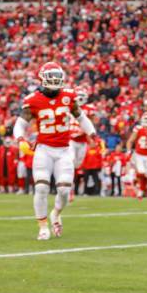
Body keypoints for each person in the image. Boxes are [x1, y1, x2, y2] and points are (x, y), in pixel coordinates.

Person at [13, 62, 97, 240]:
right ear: (42, 79)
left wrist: (92, 134)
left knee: (65, 190)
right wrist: (20, 139)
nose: (55, 82)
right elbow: (20, 124)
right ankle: (42, 226)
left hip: (64, 150)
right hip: (43, 149)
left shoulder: (68, 96)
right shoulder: (33, 100)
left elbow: (82, 118)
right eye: (52, 78)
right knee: (42, 187)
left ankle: (56, 213)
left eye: (57, 78)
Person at [126, 112, 147, 200]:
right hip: (139, 155)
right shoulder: (138, 129)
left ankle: (141, 191)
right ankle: (137, 186)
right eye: (146, 119)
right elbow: (130, 141)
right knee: (141, 172)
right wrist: (129, 151)